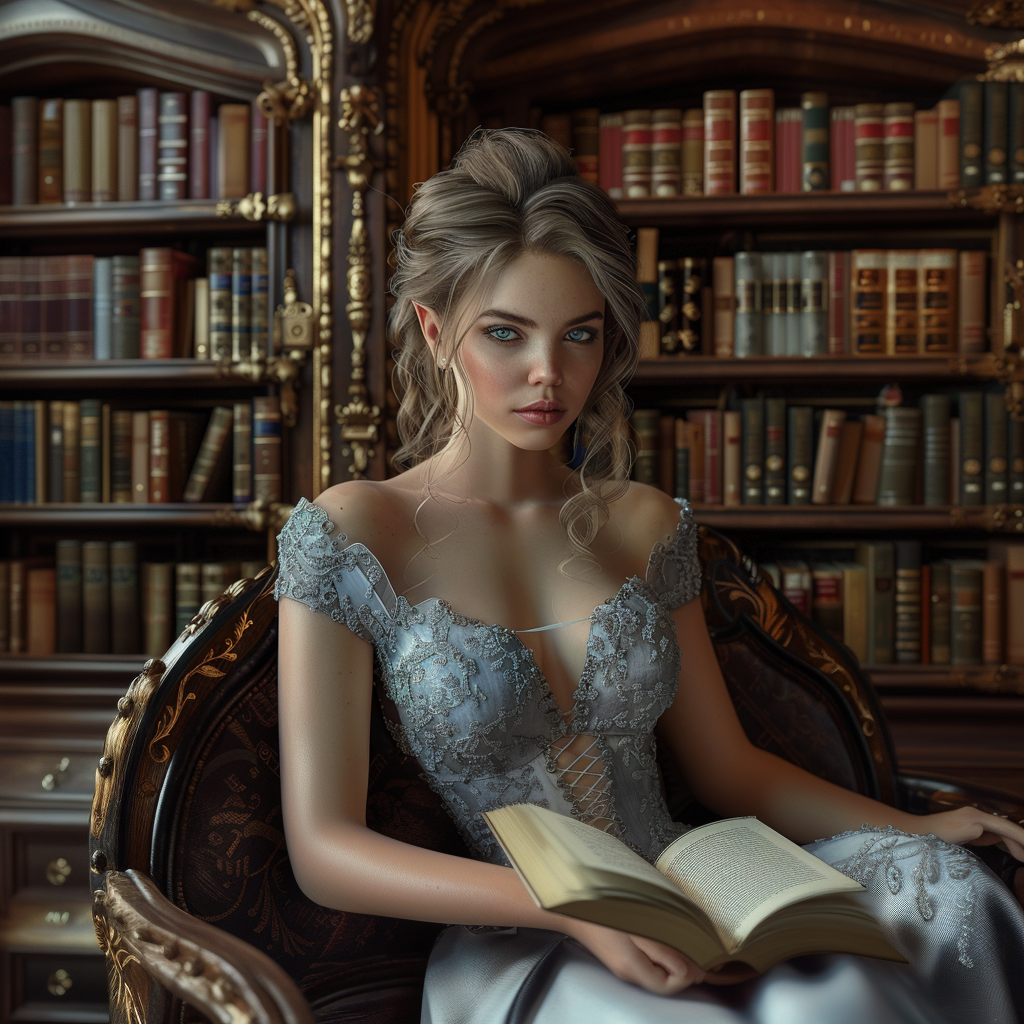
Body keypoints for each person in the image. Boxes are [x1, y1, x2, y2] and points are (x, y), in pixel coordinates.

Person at [274, 128, 1024, 1023]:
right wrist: (571, 911)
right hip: (527, 929)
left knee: (948, 893)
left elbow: (730, 770)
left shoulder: (644, 523)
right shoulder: (358, 530)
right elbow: (323, 847)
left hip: (695, 885)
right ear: (436, 331)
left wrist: (919, 827)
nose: (548, 374)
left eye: (580, 335)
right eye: (506, 334)